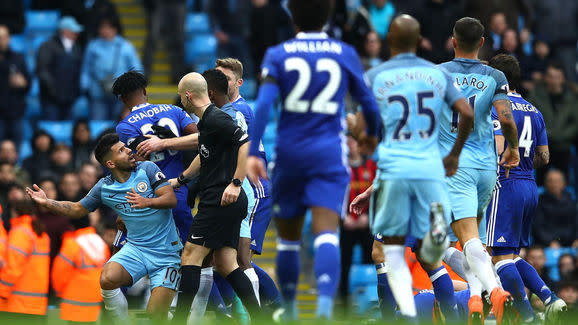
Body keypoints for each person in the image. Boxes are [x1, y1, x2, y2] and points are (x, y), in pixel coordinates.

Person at [246, 0, 381, 319]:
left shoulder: (277, 54)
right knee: (326, 234)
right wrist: (371, 134)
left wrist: (253, 151)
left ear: (292, 17)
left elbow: (263, 106)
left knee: (290, 240)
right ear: (328, 17)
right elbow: (369, 106)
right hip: (328, 154)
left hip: (290, 153)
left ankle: (291, 311)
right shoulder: (344, 52)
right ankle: (323, 309)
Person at [363, 14, 474, 322]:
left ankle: (390, 318)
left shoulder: (378, 74)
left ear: (390, 41)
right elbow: (466, 112)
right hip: (431, 176)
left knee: (382, 252)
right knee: (431, 256)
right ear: (418, 39)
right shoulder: (436, 74)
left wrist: (367, 141)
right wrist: (454, 154)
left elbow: (363, 124)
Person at [26, 133, 182, 323]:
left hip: (165, 252)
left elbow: (170, 199)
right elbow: (77, 209)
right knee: (107, 279)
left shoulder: (147, 169)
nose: (129, 151)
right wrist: (47, 202)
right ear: (111, 164)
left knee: (155, 314)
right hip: (137, 249)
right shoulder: (104, 187)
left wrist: (146, 201)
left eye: (126, 147)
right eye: (122, 151)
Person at [438, 17, 520, 324]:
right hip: (487, 167)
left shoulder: (438, 74)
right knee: (474, 243)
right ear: (482, 43)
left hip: (455, 165)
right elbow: (507, 119)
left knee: (454, 241)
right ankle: (477, 300)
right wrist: (512, 147)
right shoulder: (495, 75)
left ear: (453, 41)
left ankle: (494, 291)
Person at [170, 72, 261, 323]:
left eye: (181, 96)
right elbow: (205, 154)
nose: (181, 100)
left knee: (190, 255)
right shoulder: (207, 122)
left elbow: (245, 143)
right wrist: (181, 179)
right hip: (225, 199)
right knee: (225, 262)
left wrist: (235, 183)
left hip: (221, 196)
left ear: (188, 95)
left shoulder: (216, 118)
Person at [485, 53, 566, 323]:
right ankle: (549, 299)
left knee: (499, 257)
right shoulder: (535, 110)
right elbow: (544, 157)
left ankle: (529, 317)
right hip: (529, 185)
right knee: (511, 255)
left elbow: (498, 149)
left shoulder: (498, 107)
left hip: (504, 182)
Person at [215, 58, 281, 310]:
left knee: (241, 259)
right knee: (222, 259)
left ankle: (269, 310)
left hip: (253, 189)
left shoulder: (238, 111)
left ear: (239, 83)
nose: (220, 83)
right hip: (238, 188)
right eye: (217, 77)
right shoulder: (222, 110)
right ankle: (234, 311)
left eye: (226, 79)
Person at [114, 70, 198, 245]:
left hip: (149, 197)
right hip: (178, 191)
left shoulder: (125, 126)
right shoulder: (174, 110)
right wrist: (173, 141)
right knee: (191, 254)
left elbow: (135, 161)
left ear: (122, 99)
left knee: (131, 255)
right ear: (145, 91)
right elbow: (202, 139)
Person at [0, 186, 50, 323]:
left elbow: (13, 268)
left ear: (15, 213)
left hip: (17, 306)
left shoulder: (20, 232)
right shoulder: (40, 233)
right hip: (37, 306)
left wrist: (2, 292)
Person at [80, 18, 143, 120]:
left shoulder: (126, 46)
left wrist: (134, 88)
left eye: (108, 28)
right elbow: (86, 68)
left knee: (119, 121)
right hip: (97, 91)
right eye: (102, 28)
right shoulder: (93, 46)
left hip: (121, 92)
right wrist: (84, 86)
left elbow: (136, 68)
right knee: (98, 120)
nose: (105, 31)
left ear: (115, 30)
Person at [52, 216, 110, 324]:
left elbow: (59, 273)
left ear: (72, 226)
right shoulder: (100, 243)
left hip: (74, 304)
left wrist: (59, 292)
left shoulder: (72, 244)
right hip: (95, 303)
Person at [338, 135, 374, 305]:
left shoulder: (371, 166)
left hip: (367, 224)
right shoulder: (340, 167)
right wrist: (342, 218)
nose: (350, 145)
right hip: (347, 224)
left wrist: (369, 217)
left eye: (352, 141)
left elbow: (379, 194)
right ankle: (342, 305)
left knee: (373, 259)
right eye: (347, 142)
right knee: (344, 264)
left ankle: (374, 300)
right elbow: (334, 194)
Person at [528, 62, 578, 183]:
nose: (553, 80)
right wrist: (546, 135)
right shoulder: (536, 95)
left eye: (557, 77)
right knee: (539, 181)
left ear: (563, 79)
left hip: (563, 146)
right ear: (546, 77)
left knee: (565, 180)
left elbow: (575, 124)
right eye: (550, 76)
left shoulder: (571, 98)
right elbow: (529, 118)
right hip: (541, 147)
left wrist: (559, 135)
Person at [36, 16, 84, 121]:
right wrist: (52, 89)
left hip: (69, 97)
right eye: (73, 31)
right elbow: (42, 70)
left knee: (67, 127)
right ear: (65, 31)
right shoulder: (47, 46)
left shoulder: (76, 48)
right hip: (51, 98)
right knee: (51, 127)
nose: (77, 34)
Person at [0, 25, 30, 146]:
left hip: (16, 112)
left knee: (16, 150)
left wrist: (23, 83)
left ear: (9, 38)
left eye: (3, 37)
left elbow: (28, 82)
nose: (1, 40)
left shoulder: (18, 57)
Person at [142, 0, 186, 83]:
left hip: (178, 3)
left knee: (177, 40)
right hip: (159, 4)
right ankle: (144, 74)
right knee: (152, 39)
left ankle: (177, 75)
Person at [533, 169, 578, 248]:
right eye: (550, 181)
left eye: (557, 181)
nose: (554, 184)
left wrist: (576, 239)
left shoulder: (571, 202)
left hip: (570, 242)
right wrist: (549, 242)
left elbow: (575, 223)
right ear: (545, 184)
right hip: (547, 244)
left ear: (564, 183)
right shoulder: (539, 202)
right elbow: (538, 227)